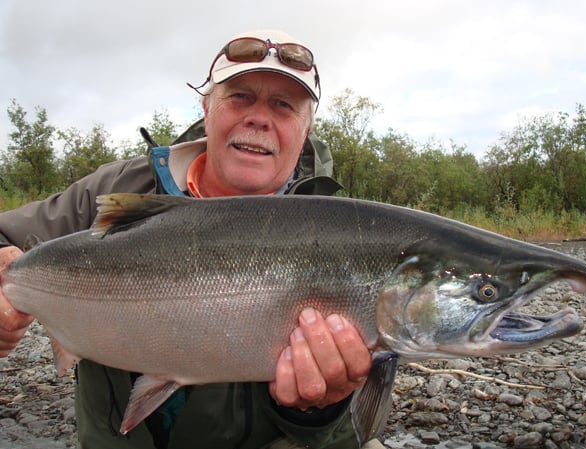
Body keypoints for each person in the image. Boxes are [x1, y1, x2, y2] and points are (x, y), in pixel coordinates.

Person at [0, 30, 385, 449]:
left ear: (306, 127)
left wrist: (317, 410)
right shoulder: (120, 185)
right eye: (239, 97)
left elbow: (351, 435)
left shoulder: (349, 233)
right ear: (206, 107)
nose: (259, 118)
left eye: (283, 105)